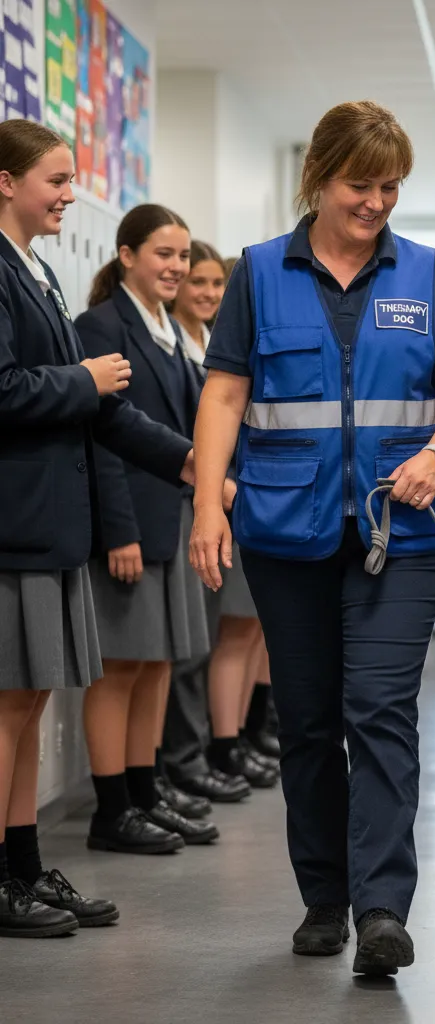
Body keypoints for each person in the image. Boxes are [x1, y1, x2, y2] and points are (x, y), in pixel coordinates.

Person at [190, 100, 435, 975]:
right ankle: (325, 895)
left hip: (403, 528)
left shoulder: (426, 273)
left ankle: (384, 907)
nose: (377, 203)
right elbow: (224, 396)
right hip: (288, 527)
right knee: (311, 722)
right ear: (319, 178)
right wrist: (209, 504)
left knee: (382, 712)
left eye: (391, 186)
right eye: (361, 184)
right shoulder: (256, 273)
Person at [0, 121, 199, 932]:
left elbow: (101, 413)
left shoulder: (36, 272)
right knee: (10, 708)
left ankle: (24, 868)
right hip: (17, 523)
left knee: (28, 699)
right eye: (55, 179)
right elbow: (8, 390)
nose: (68, 194)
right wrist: (78, 378)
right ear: (6, 182)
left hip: (49, 526)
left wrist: (188, 461)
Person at [77, 205, 220, 852]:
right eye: (164, 254)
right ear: (127, 255)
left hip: (173, 517)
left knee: (158, 662)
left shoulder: (166, 329)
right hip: (133, 525)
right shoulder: (103, 324)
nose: (177, 267)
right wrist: (120, 530)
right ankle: (113, 810)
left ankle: (146, 791)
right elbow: (103, 436)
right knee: (120, 670)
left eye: (183, 255)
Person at [171, 240, 277, 793]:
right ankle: (222, 745)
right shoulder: (183, 347)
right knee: (225, 638)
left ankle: (245, 735)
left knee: (252, 631)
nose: (212, 294)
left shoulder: (208, 342)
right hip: (216, 503)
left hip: (249, 501)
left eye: (218, 285)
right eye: (203, 283)